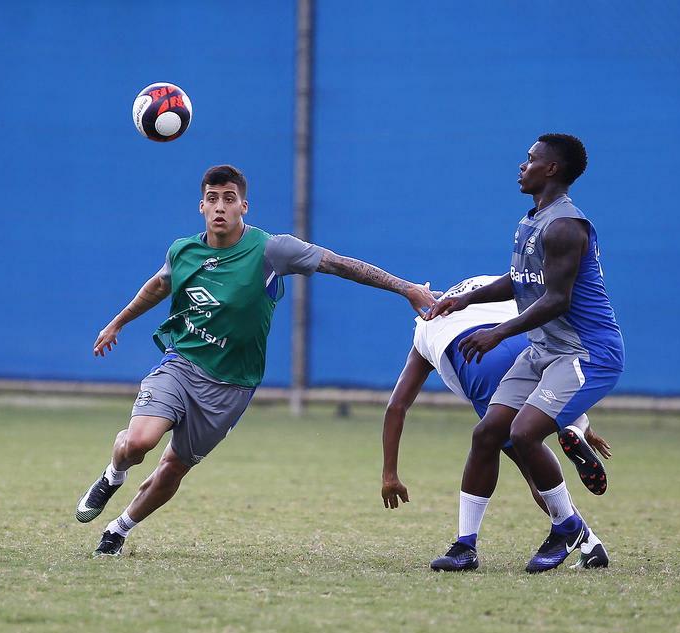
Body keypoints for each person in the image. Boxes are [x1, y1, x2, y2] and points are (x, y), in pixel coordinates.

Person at [75, 164, 438, 556]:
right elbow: (160, 284)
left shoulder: (270, 250)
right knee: (138, 443)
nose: (220, 207)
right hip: (181, 365)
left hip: (231, 386)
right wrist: (116, 323)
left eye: (228, 199)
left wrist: (406, 288)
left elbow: (339, 263)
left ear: (243, 206)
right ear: (201, 206)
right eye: (212, 199)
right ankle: (114, 474)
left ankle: (120, 528)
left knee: (172, 470)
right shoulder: (183, 251)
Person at [428, 134, 624, 573]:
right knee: (487, 434)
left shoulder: (565, 227)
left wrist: (497, 333)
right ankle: (464, 546)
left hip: (585, 352)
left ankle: (564, 528)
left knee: (525, 433)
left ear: (551, 169)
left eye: (531, 159)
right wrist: (465, 300)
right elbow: (519, 280)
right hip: (543, 349)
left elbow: (556, 299)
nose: (523, 165)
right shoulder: (533, 220)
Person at [380, 274, 613, 570]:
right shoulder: (483, 284)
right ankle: (577, 429)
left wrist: (390, 474)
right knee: (539, 413)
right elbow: (537, 299)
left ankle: (469, 546)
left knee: (521, 459)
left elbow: (396, 407)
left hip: (479, 358)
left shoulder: (425, 328)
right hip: (530, 346)